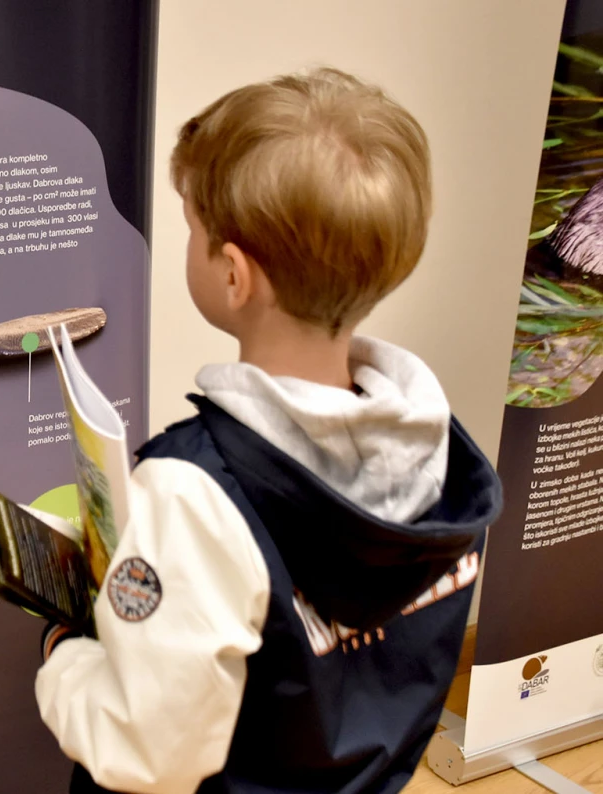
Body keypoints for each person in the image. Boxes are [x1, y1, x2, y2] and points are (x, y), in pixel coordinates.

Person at [34, 67, 504, 794]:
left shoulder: (194, 491)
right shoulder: (442, 456)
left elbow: (152, 754)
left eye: (192, 228)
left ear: (233, 275)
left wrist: (65, 653)